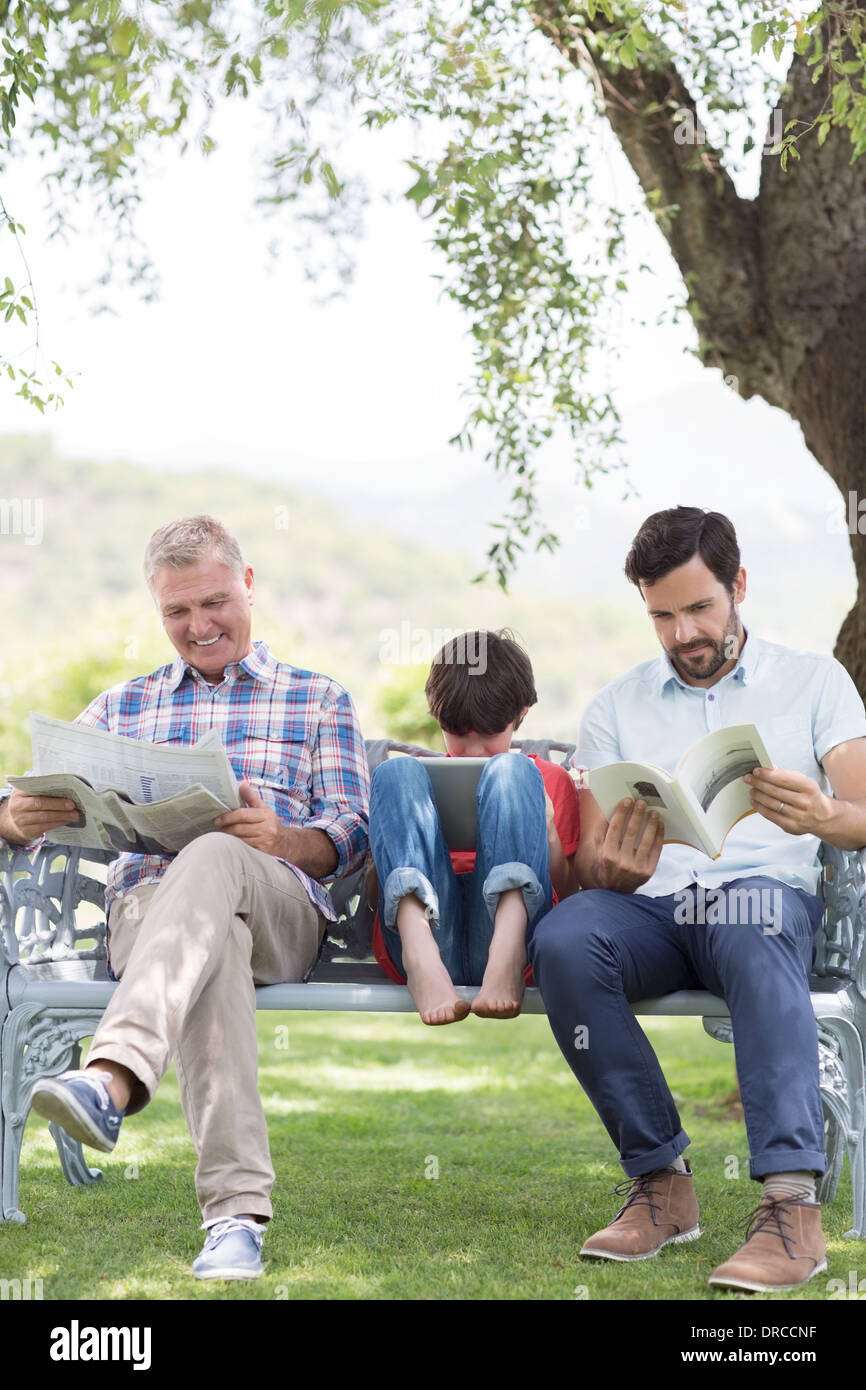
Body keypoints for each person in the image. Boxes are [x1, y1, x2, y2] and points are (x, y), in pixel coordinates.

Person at [0, 515, 369, 1281]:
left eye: (213, 603)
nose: (198, 626)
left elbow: (354, 835)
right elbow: (25, 791)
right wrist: (13, 815)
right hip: (151, 920)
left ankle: (111, 1076)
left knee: (216, 855)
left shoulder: (317, 699)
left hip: (281, 911)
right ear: (158, 611)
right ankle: (234, 1221)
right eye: (176, 612)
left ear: (249, 587)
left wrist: (285, 839)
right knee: (213, 947)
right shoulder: (121, 705)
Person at [530, 506, 866, 1294]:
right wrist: (605, 868)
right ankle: (662, 1182)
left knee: (751, 923)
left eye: (699, 608)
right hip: (654, 907)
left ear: (738, 586)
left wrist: (824, 816)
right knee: (566, 937)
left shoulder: (815, 681)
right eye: (662, 616)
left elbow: (860, 812)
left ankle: (791, 1211)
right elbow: (588, 870)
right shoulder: (615, 706)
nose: (683, 634)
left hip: (760, 898)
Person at [369, 630, 580, 1024]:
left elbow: (569, 896)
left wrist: (548, 833)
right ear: (437, 715)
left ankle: (506, 952)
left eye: (489, 735)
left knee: (514, 771)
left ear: (521, 714)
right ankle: (421, 959)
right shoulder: (421, 783)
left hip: (516, 940)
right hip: (426, 937)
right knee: (395, 772)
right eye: (460, 736)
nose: (475, 752)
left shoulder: (547, 779)